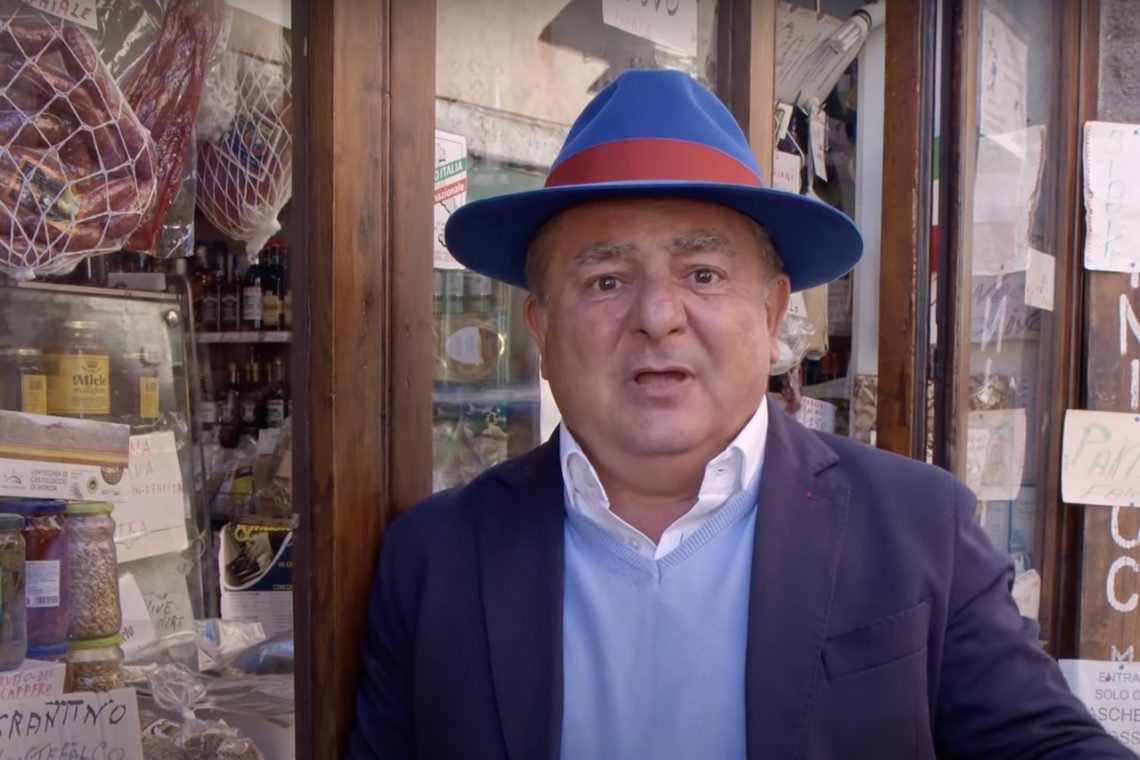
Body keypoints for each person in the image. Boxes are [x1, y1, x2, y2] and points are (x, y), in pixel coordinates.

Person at [348, 69, 1129, 759]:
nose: (658, 316)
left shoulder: (919, 527)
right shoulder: (434, 559)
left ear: (772, 312)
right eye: (606, 280)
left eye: (703, 273)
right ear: (542, 330)